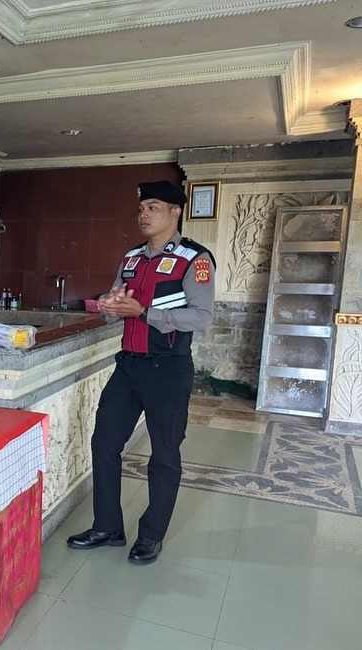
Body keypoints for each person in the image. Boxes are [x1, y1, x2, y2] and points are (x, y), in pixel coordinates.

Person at [67, 180, 215, 565]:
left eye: (153, 207)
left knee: (163, 454)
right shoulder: (131, 258)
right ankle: (107, 527)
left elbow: (202, 317)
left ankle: (151, 535)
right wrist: (108, 304)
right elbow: (115, 303)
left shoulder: (194, 259)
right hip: (129, 365)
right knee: (104, 443)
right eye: (141, 208)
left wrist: (147, 313)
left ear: (175, 212)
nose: (144, 214)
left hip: (168, 368)